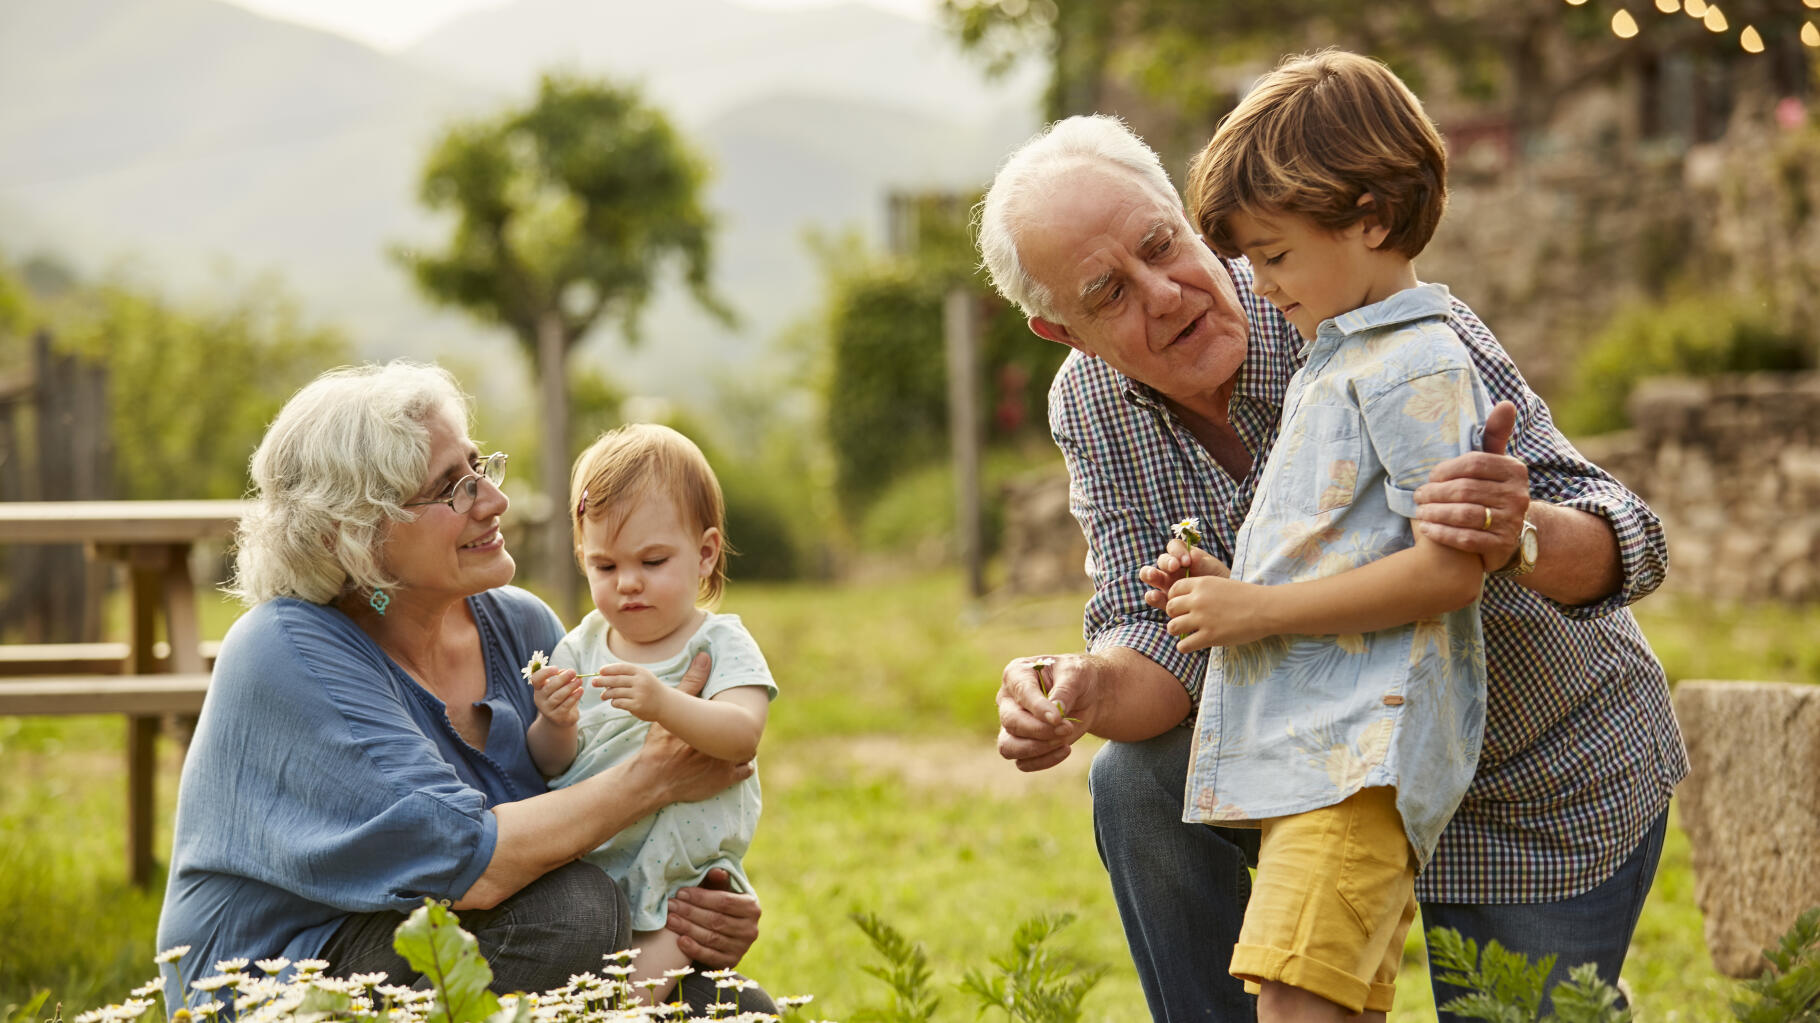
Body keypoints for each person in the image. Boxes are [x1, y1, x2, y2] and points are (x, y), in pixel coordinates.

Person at [977, 109, 1686, 1021]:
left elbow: (1630, 537)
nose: (1162, 293)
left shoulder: (1373, 315)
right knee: (1137, 778)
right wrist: (1076, 687)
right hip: (1326, 766)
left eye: (1163, 245)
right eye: (1108, 293)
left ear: (1188, 215)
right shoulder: (1092, 403)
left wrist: (1518, 530)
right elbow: (1160, 637)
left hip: (1529, 767)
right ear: (1061, 331)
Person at [156, 362, 773, 1014]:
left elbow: (589, 803)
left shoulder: (521, 625)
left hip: (467, 941)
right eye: (453, 488)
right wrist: (658, 776)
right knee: (577, 913)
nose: (494, 500)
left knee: (737, 1006)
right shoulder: (284, 650)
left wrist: (701, 898)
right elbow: (471, 865)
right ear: (358, 533)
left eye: (481, 468)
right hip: (286, 982)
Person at [1157, 50, 1497, 1021]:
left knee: (1303, 1009)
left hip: (1361, 758)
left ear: (1371, 220)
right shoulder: (1341, 358)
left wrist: (1257, 608)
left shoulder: (1415, 366)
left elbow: (1448, 573)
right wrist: (1223, 586)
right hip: (1318, 757)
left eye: (1273, 255)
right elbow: (1349, 551)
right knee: (1293, 999)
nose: (1258, 287)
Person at [526, 423, 775, 1005]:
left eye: (653, 561)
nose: (629, 584)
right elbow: (548, 764)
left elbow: (742, 736)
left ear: (705, 554)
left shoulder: (718, 644)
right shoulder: (579, 646)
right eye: (605, 567)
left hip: (681, 877)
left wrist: (666, 702)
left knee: (622, 1001)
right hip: (596, 861)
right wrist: (555, 724)